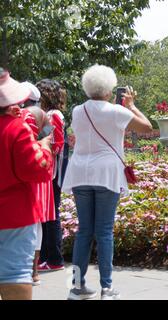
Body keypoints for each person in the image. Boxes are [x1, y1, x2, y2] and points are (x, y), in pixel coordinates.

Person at [62, 65, 153, 300]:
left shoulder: (77, 110)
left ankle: (77, 286)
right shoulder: (116, 111)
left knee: (84, 231)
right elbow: (146, 126)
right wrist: (131, 105)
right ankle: (107, 288)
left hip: (80, 172)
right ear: (109, 90)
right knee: (104, 232)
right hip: (106, 174)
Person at [0, 69, 53, 300]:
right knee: (15, 273)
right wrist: (44, 146)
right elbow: (38, 169)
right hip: (15, 216)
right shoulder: (15, 128)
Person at [35, 80, 67, 274]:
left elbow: (57, 144)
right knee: (47, 215)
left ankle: (55, 258)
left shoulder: (53, 115)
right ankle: (48, 257)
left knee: (51, 215)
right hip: (48, 170)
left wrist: (40, 146)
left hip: (50, 171)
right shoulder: (50, 114)